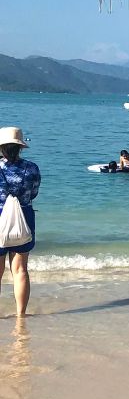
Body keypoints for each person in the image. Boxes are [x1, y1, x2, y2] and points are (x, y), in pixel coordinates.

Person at [0, 127, 39, 318]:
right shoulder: (31, 168)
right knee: (20, 269)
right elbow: (34, 193)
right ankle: (20, 316)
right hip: (24, 217)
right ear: (20, 147)